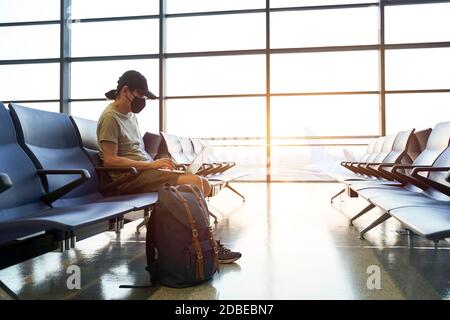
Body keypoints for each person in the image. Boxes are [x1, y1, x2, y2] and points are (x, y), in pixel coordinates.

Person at [97, 70, 241, 264]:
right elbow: (110, 160)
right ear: (125, 91)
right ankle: (209, 246)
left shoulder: (130, 116)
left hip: (144, 172)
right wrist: (150, 165)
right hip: (128, 178)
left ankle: (203, 244)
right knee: (199, 184)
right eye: (140, 95)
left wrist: (157, 165)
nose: (143, 101)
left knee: (200, 184)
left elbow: (135, 151)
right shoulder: (110, 118)